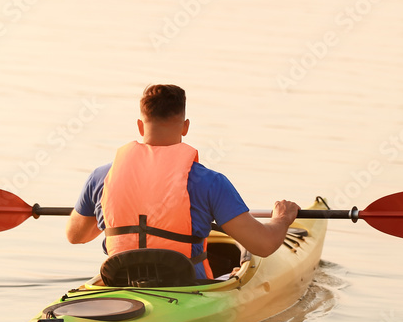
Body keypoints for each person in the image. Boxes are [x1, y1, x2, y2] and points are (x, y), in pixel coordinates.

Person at [66, 84, 300, 279]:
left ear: (140, 125)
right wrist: (281, 219)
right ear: (186, 126)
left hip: (121, 285)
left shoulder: (101, 177)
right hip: (187, 289)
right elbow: (264, 245)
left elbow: (75, 236)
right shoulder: (210, 182)